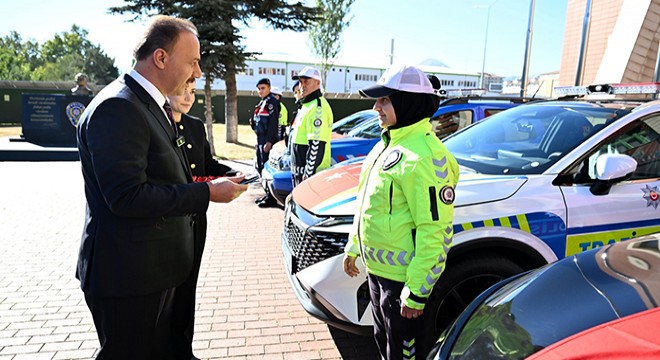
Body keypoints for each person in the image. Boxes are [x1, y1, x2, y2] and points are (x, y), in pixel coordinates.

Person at [76, 15, 248, 360]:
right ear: (161, 58)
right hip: (128, 277)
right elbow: (126, 197)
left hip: (150, 270)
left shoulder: (145, 103)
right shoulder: (119, 107)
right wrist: (207, 193)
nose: (197, 74)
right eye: (194, 62)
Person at [342, 65, 459, 360]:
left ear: (407, 101)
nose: (375, 107)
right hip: (378, 273)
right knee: (384, 345)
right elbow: (367, 204)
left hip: (402, 282)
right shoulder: (388, 143)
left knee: (403, 354)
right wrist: (353, 247)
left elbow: (436, 231)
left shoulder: (426, 156)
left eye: (385, 100)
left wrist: (417, 290)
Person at [166, 79, 239, 359]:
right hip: (169, 221)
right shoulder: (158, 124)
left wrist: (232, 173)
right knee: (166, 291)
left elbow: (208, 164)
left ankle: (184, 348)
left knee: (188, 285)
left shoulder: (195, 126)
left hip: (196, 220)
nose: (187, 96)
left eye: (193, 91)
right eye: (181, 89)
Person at [288, 66, 333, 186]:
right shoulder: (307, 105)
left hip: (309, 177)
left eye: (306, 81)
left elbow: (317, 144)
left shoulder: (318, 107)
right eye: (300, 81)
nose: (302, 85)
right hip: (299, 173)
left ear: (317, 83)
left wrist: (308, 173)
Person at [250, 78, 280, 207]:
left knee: (267, 168)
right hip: (260, 139)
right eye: (259, 89)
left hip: (267, 140)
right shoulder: (262, 102)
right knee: (261, 167)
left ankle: (271, 198)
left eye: (263, 88)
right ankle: (267, 194)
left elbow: (273, 124)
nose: (260, 91)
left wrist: (269, 141)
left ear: (269, 88)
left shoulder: (271, 102)